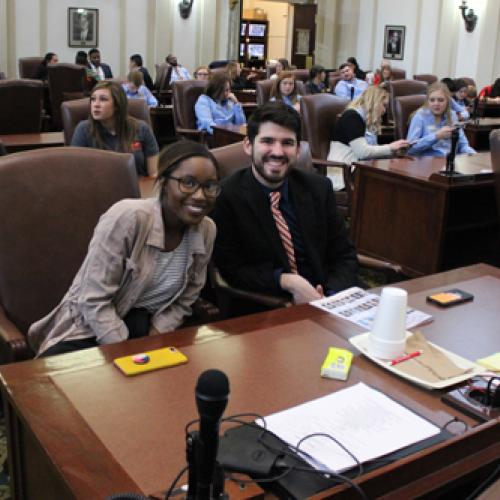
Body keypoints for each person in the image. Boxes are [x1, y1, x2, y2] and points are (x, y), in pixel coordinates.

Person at [28, 141, 219, 357]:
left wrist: (156, 336)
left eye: (209, 186)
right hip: (88, 330)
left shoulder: (206, 230)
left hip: (148, 331)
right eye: (188, 183)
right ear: (164, 182)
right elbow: (92, 298)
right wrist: (129, 350)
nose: (200, 196)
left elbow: (187, 297)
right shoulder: (128, 218)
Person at [211, 102, 359, 306]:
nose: (278, 152)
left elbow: (344, 254)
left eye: (287, 143)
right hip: (268, 308)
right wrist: (286, 281)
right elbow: (232, 269)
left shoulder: (318, 188)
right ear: (248, 145)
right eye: (268, 141)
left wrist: (330, 298)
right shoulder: (225, 197)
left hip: (329, 298)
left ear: (298, 150)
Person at [327, 86, 410, 189]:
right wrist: (390, 147)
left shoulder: (364, 119)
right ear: (374, 102)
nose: (384, 110)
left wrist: (394, 152)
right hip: (344, 174)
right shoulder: (352, 117)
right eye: (383, 105)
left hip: (357, 169)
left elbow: (370, 150)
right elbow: (362, 152)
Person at [71, 81, 159, 176]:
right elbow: (77, 174)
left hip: (138, 188)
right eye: (93, 99)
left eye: (103, 99)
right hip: (98, 188)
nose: (96, 104)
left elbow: (154, 173)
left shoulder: (141, 128)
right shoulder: (83, 130)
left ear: (117, 105)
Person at [407, 82, 475, 157]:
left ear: (447, 101)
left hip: (450, 160)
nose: (436, 104)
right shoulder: (420, 116)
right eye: (432, 100)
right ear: (427, 101)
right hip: (428, 162)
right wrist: (436, 136)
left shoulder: (452, 115)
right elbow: (410, 149)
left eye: (441, 100)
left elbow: (463, 145)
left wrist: (474, 155)